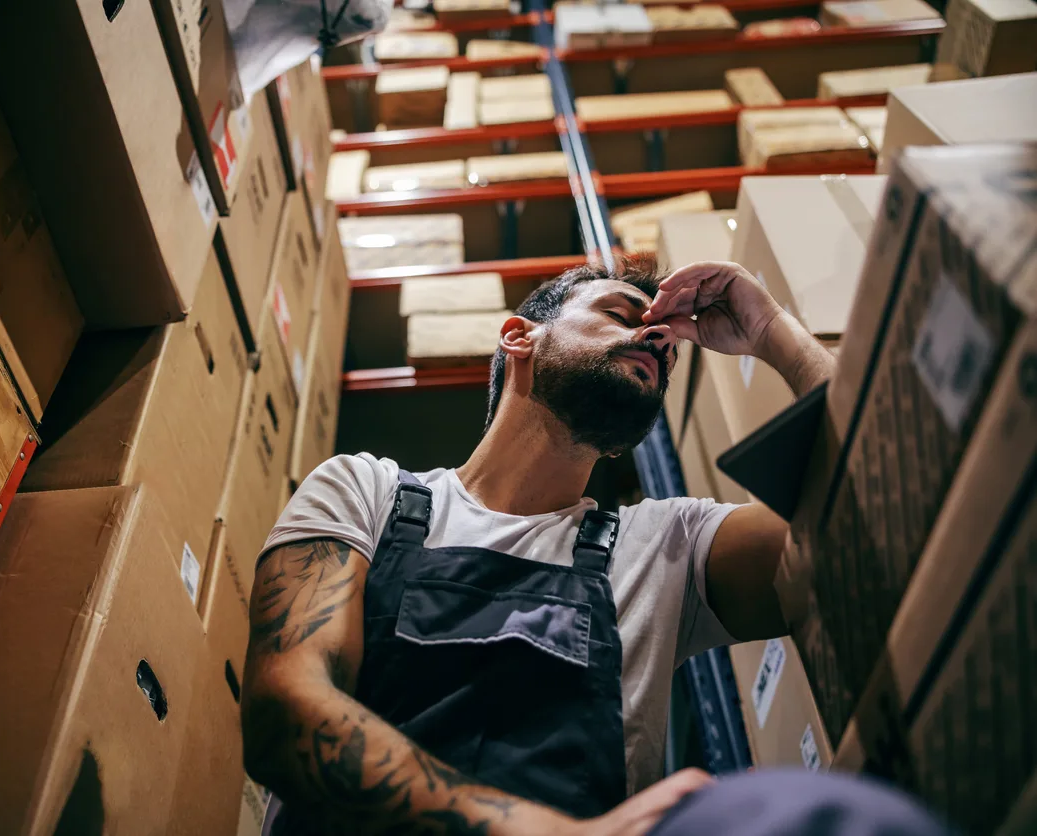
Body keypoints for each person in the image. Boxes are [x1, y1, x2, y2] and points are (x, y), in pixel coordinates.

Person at [238, 258, 931, 835]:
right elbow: (284, 711)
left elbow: (873, 506)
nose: (660, 343)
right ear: (519, 338)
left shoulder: (666, 546)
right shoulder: (367, 493)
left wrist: (769, 326)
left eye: (668, 344)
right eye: (626, 317)